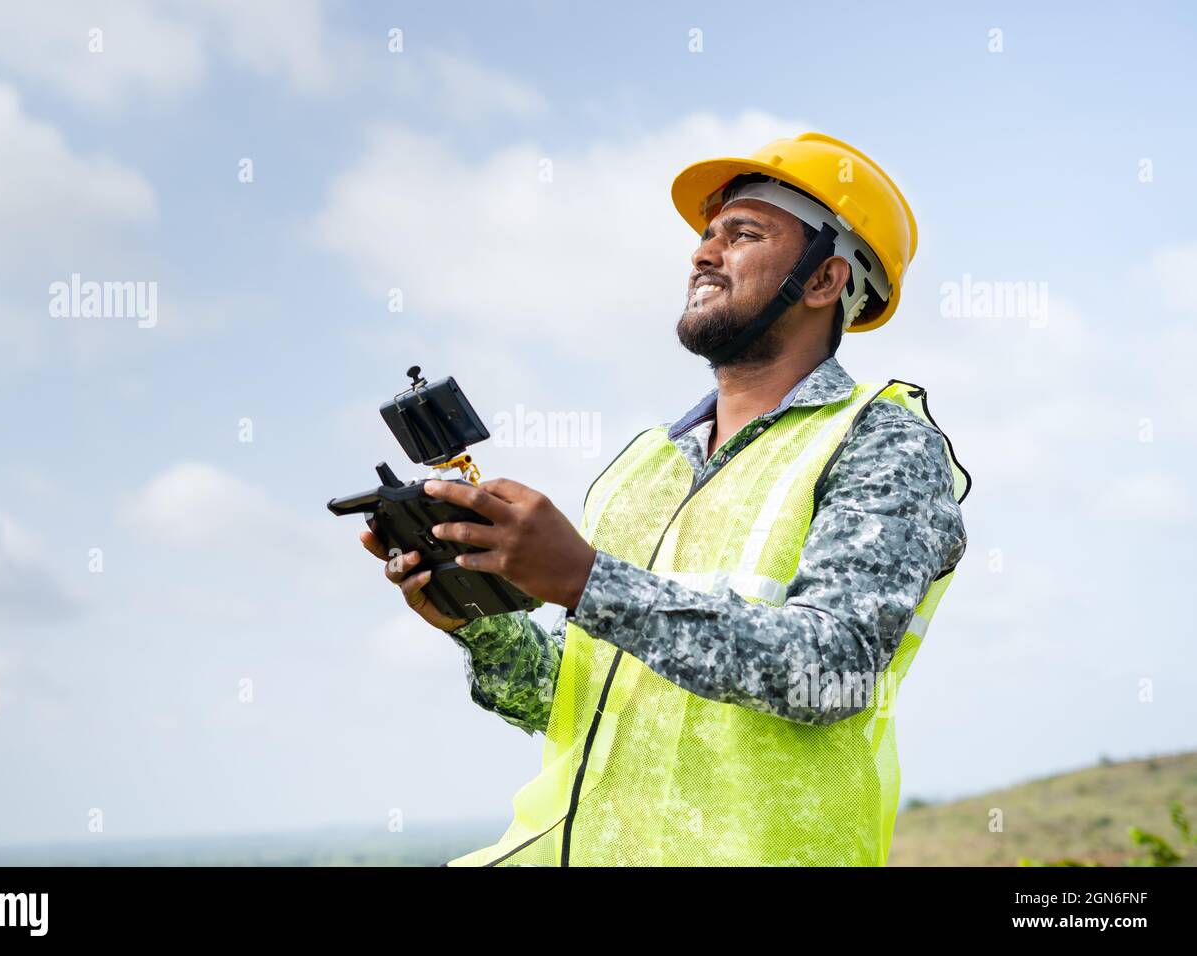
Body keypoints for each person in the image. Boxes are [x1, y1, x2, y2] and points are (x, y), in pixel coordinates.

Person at [358, 132, 971, 866]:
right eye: (706, 236)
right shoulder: (643, 466)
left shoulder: (881, 440)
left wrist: (586, 579)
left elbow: (828, 672)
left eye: (742, 234)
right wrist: (473, 615)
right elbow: (570, 699)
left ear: (823, 280)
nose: (703, 254)